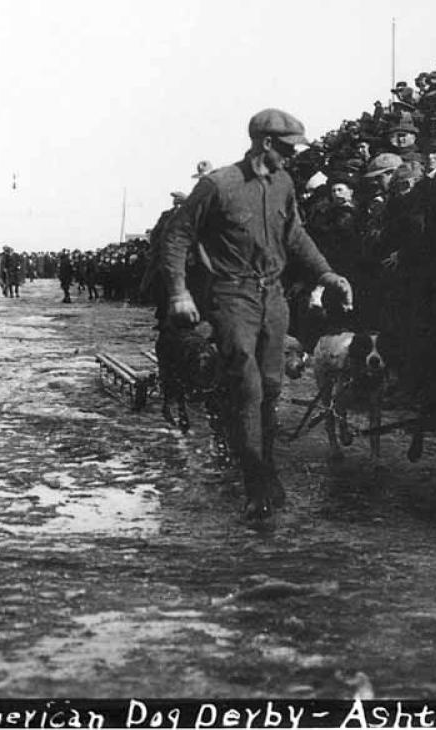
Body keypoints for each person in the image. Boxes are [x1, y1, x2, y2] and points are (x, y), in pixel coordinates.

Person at [163, 108, 353, 520]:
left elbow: (295, 235)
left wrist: (327, 273)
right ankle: (256, 483)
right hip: (231, 296)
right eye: (287, 148)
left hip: (273, 297)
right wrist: (179, 292)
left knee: (270, 386)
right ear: (266, 143)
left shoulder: (284, 184)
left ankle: (265, 468)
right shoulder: (219, 185)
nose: (292, 156)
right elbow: (177, 236)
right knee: (247, 386)